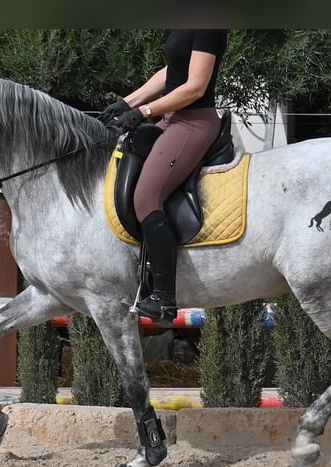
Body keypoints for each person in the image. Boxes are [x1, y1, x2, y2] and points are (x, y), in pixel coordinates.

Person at [98, 29, 229, 326]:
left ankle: (164, 298)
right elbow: (173, 71)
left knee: (146, 198)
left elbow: (195, 87)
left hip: (193, 124)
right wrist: (127, 103)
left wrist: (145, 110)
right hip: (170, 120)